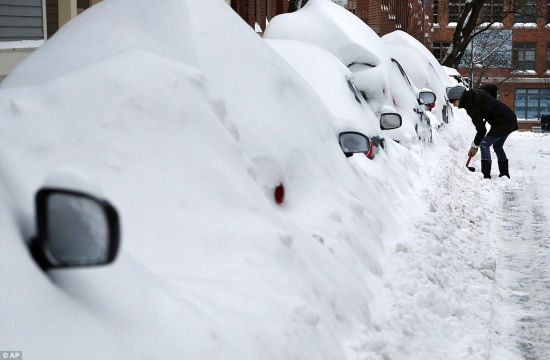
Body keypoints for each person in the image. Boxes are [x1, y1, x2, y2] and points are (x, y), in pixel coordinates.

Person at [447, 86, 518, 179]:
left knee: (484, 145)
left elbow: (482, 130)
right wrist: (491, 107)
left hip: (502, 122)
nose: (453, 105)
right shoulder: (477, 93)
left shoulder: (472, 107)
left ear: (460, 98)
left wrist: (475, 146)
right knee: (497, 146)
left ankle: (486, 175)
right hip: (510, 118)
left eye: (453, 101)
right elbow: (493, 88)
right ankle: (504, 174)